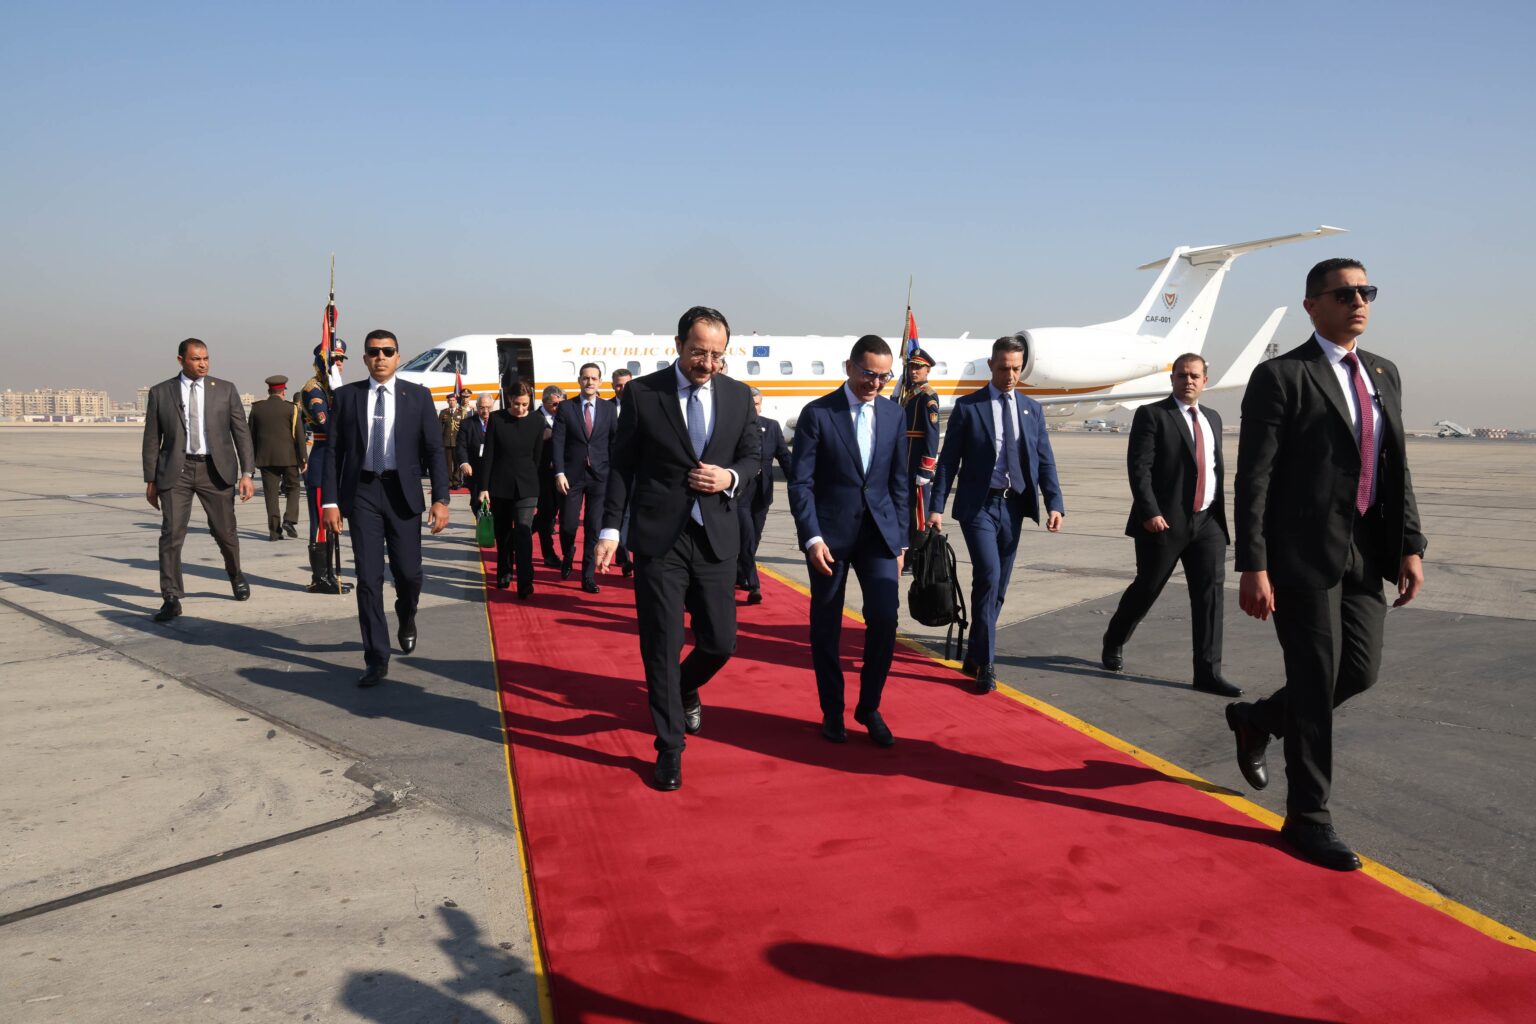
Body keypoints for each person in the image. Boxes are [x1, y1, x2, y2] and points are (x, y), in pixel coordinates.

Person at [1227, 258, 1425, 871]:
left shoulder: (1383, 373)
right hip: (1301, 555)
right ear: (1312, 305)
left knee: (1359, 670)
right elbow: (1254, 478)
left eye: (1367, 292)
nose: (1359, 302)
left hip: (1367, 548)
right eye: (1345, 294)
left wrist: (1410, 545)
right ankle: (1308, 819)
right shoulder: (1282, 376)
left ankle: (1259, 719)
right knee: (1314, 683)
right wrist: (1253, 564)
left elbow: (1395, 466)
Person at [594, 306, 760, 790]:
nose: (707, 363)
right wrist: (609, 530)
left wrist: (729, 477)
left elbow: (753, 456)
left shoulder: (737, 395)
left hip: (715, 537)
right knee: (662, 647)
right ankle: (669, 746)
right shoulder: (644, 394)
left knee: (720, 642)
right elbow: (622, 465)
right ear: (678, 345)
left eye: (716, 355)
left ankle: (685, 686)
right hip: (659, 539)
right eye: (698, 352)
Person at [787, 336, 909, 746]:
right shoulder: (818, 413)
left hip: (879, 536)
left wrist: (901, 541)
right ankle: (832, 709)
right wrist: (811, 537)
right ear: (849, 367)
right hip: (829, 539)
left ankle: (869, 706)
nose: (875, 383)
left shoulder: (893, 415)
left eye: (884, 376)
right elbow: (800, 483)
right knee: (826, 626)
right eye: (868, 373)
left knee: (885, 620)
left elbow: (899, 482)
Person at [928, 335, 1065, 694]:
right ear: (991, 366)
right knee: (988, 575)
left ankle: (975, 653)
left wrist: (1055, 503)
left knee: (998, 585)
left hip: (1014, 506)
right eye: (1004, 368)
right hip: (979, 506)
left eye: (1017, 369)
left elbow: (1045, 461)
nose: (1011, 375)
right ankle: (987, 665)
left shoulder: (1031, 410)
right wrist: (935, 507)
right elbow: (948, 462)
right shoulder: (968, 407)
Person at [1100, 354, 1241, 698]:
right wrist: (1149, 511)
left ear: (1205, 380)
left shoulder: (1212, 418)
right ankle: (1115, 638)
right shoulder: (1153, 415)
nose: (1188, 381)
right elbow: (1140, 468)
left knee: (1210, 597)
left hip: (1208, 521)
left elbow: (1211, 468)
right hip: (1163, 523)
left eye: (1194, 376)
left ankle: (1208, 673)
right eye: (1182, 375)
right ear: (1173, 379)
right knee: (1148, 587)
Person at [322, 330, 451, 688]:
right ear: (365, 358)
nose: (380, 357)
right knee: (368, 578)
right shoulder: (346, 397)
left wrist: (441, 498)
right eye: (373, 352)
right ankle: (376, 657)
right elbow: (333, 453)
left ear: (398, 357)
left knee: (408, 574)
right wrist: (330, 501)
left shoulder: (418, 397)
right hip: (362, 493)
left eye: (387, 351)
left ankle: (406, 615)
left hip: (402, 493)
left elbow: (435, 450)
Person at [141, 338, 256, 622]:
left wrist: (247, 473)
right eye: (196, 359)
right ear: (181, 360)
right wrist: (151, 480)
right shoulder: (161, 392)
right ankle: (171, 596)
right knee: (171, 533)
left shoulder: (225, 390)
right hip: (175, 472)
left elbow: (241, 433)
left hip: (215, 470)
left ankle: (235, 574)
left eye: (206, 358)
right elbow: (152, 439)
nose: (203, 364)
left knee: (225, 531)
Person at [552, 363, 617, 593]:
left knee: (593, 527)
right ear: (579, 380)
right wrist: (559, 472)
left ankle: (588, 576)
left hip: (600, 475)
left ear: (600, 382)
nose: (590, 382)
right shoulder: (566, 408)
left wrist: (614, 474)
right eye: (586, 378)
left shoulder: (609, 409)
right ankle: (568, 552)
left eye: (594, 378)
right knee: (568, 525)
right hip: (572, 476)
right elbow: (558, 442)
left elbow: (613, 442)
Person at [478, 381, 545, 596]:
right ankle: (504, 572)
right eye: (517, 404)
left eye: (525, 404)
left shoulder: (537, 420)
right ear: (509, 399)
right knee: (504, 533)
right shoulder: (497, 419)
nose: (521, 408)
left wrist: (530, 478)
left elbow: (537, 456)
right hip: (500, 484)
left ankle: (525, 580)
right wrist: (484, 487)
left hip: (527, 486)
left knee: (524, 533)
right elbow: (489, 454)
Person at [300, 338, 351, 594]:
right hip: (322, 464)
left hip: (335, 464)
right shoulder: (314, 390)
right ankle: (320, 577)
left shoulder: (333, 388)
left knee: (333, 523)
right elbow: (327, 425)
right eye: (334, 360)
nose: (339, 364)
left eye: (341, 360)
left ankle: (331, 574)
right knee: (321, 524)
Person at [736, 387, 791, 604]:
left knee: (755, 536)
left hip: (762, 493)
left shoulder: (772, 426)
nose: (754, 408)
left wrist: (799, 482)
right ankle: (754, 584)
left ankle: (740, 572)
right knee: (747, 536)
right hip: (740, 494)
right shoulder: (734, 427)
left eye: (757, 404)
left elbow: (784, 457)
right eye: (751, 405)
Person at [247, 374, 307, 541]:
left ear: (269, 391)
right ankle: (289, 519)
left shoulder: (257, 408)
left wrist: (251, 460)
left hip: (265, 459)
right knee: (293, 488)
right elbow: (299, 436)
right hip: (289, 459)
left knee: (271, 495)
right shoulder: (291, 409)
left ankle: (274, 532)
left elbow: (250, 436)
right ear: (283, 391)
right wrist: (303, 459)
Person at [900, 348, 941, 553]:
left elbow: (932, 435)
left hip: (916, 462)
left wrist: (926, 469)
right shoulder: (910, 394)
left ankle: (917, 556)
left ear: (927, 370)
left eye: (918, 367)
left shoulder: (927, 397)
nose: (913, 371)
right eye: (911, 367)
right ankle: (906, 551)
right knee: (905, 509)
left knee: (918, 514)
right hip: (904, 461)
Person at [605, 368, 635, 576]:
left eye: (626, 385)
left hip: (637, 470)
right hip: (612, 470)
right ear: (612, 385)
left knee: (633, 513)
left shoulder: (644, 406)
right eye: (618, 385)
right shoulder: (606, 408)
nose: (622, 389)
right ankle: (625, 557)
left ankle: (627, 554)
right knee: (620, 513)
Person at [533, 385, 566, 567]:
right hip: (541, 474)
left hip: (560, 474)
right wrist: (541, 436)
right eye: (554, 404)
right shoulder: (534, 418)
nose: (557, 407)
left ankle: (515, 537)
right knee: (546, 514)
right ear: (544, 402)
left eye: (561, 403)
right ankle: (548, 553)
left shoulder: (563, 417)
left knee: (551, 513)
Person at [457, 393, 495, 521]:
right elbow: (461, 446)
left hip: (495, 470)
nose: (485, 411)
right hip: (475, 470)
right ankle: (481, 523)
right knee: (477, 503)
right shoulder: (467, 424)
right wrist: (464, 463)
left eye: (488, 407)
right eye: (482, 407)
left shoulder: (498, 422)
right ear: (477, 407)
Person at [440, 392, 465, 489]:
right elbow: (439, 427)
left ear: (456, 401)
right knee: (447, 463)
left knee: (457, 463)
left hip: (457, 442)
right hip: (446, 441)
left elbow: (464, 428)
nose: (452, 402)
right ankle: (449, 481)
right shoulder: (443, 412)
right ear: (447, 401)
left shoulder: (461, 412)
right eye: (450, 400)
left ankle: (456, 481)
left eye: (453, 400)